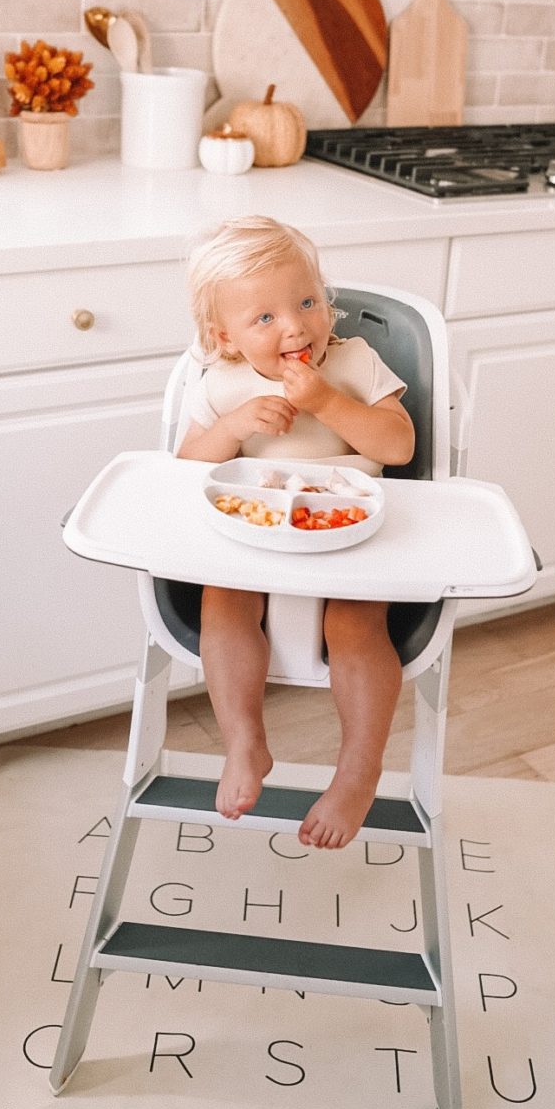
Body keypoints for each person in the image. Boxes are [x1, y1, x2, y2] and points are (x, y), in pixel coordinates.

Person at [178, 215, 416, 849]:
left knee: (356, 626)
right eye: (265, 318)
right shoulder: (220, 384)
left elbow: (398, 446)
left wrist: (329, 404)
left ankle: (358, 773)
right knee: (222, 606)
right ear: (222, 336)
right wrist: (231, 427)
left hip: (348, 536)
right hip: (252, 537)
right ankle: (245, 744)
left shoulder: (356, 362)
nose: (296, 326)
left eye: (307, 301)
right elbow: (182, 470)